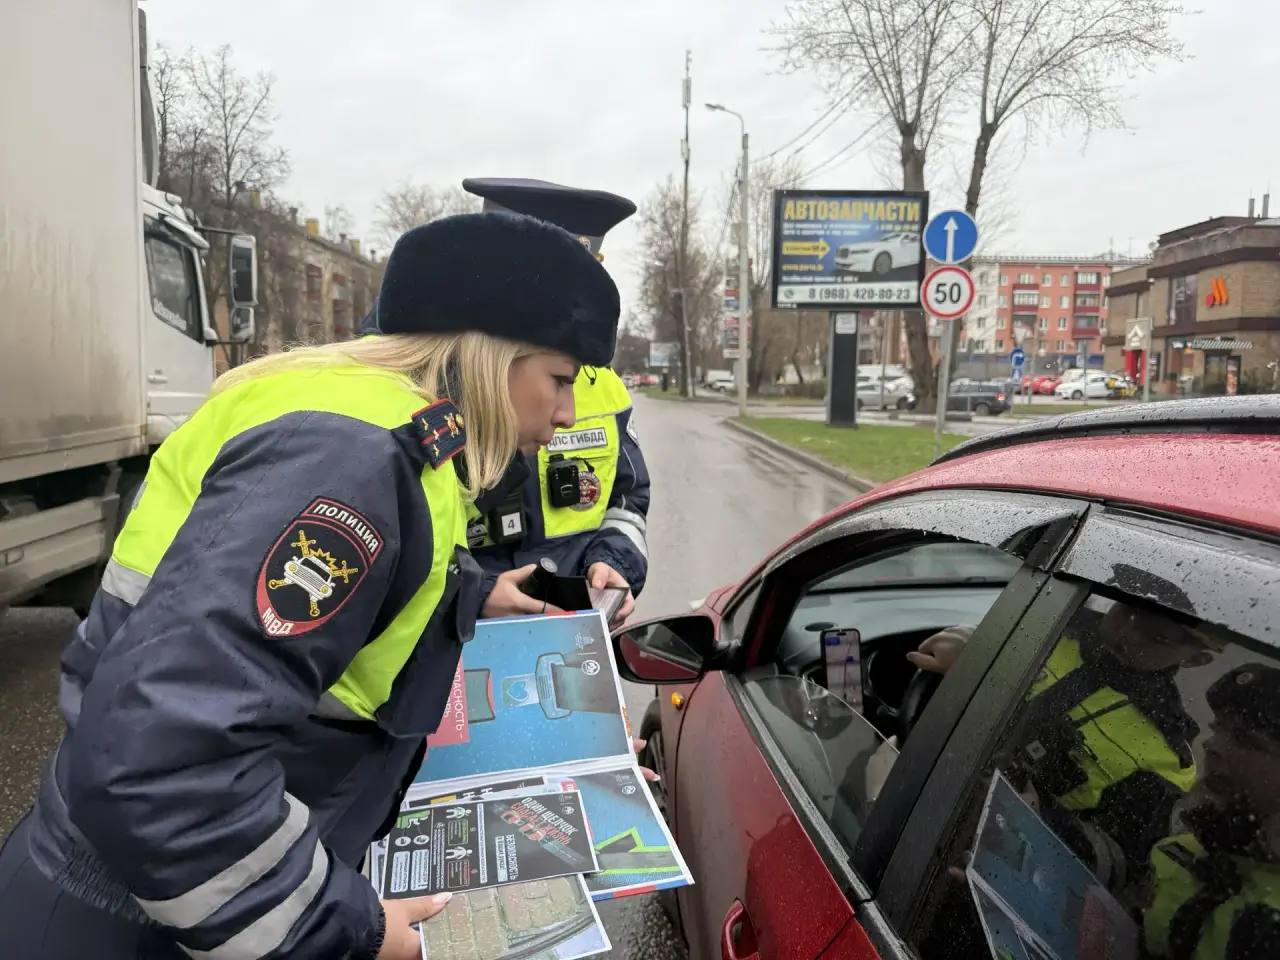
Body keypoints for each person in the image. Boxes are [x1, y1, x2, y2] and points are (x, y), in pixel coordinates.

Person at [0, 206, 621, 958]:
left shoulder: (364, 416)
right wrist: (352, 932)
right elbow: (163, 766)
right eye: (559, 379)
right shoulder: (351, 460)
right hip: (143, 919)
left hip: (164, 896)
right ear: (487, 355)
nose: (565, 415)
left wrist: (464, 591)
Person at [360, 177, 650, 622]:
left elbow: (626, 502)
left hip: (570, 634)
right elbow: (379, 552)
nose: (566, 414)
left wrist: (615, 562)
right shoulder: (404, 387)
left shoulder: (605, 386)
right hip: (448, 652)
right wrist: (469, 594)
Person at [909, 588, 1219, 891]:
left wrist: (1041, 823)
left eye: (1158, 634)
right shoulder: (1047, 628)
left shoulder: (1167, 757)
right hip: (918, 778)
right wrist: (979, 651)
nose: (1127, 633)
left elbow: (1121, 867)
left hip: (986, 856)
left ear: (1196, 659)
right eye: (1127, 610)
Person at [1143, 663, 1280, 959]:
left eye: (1247, 741)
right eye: (1218, 728)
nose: (1213, 745)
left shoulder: (1271, 929)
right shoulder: (1181, 850)